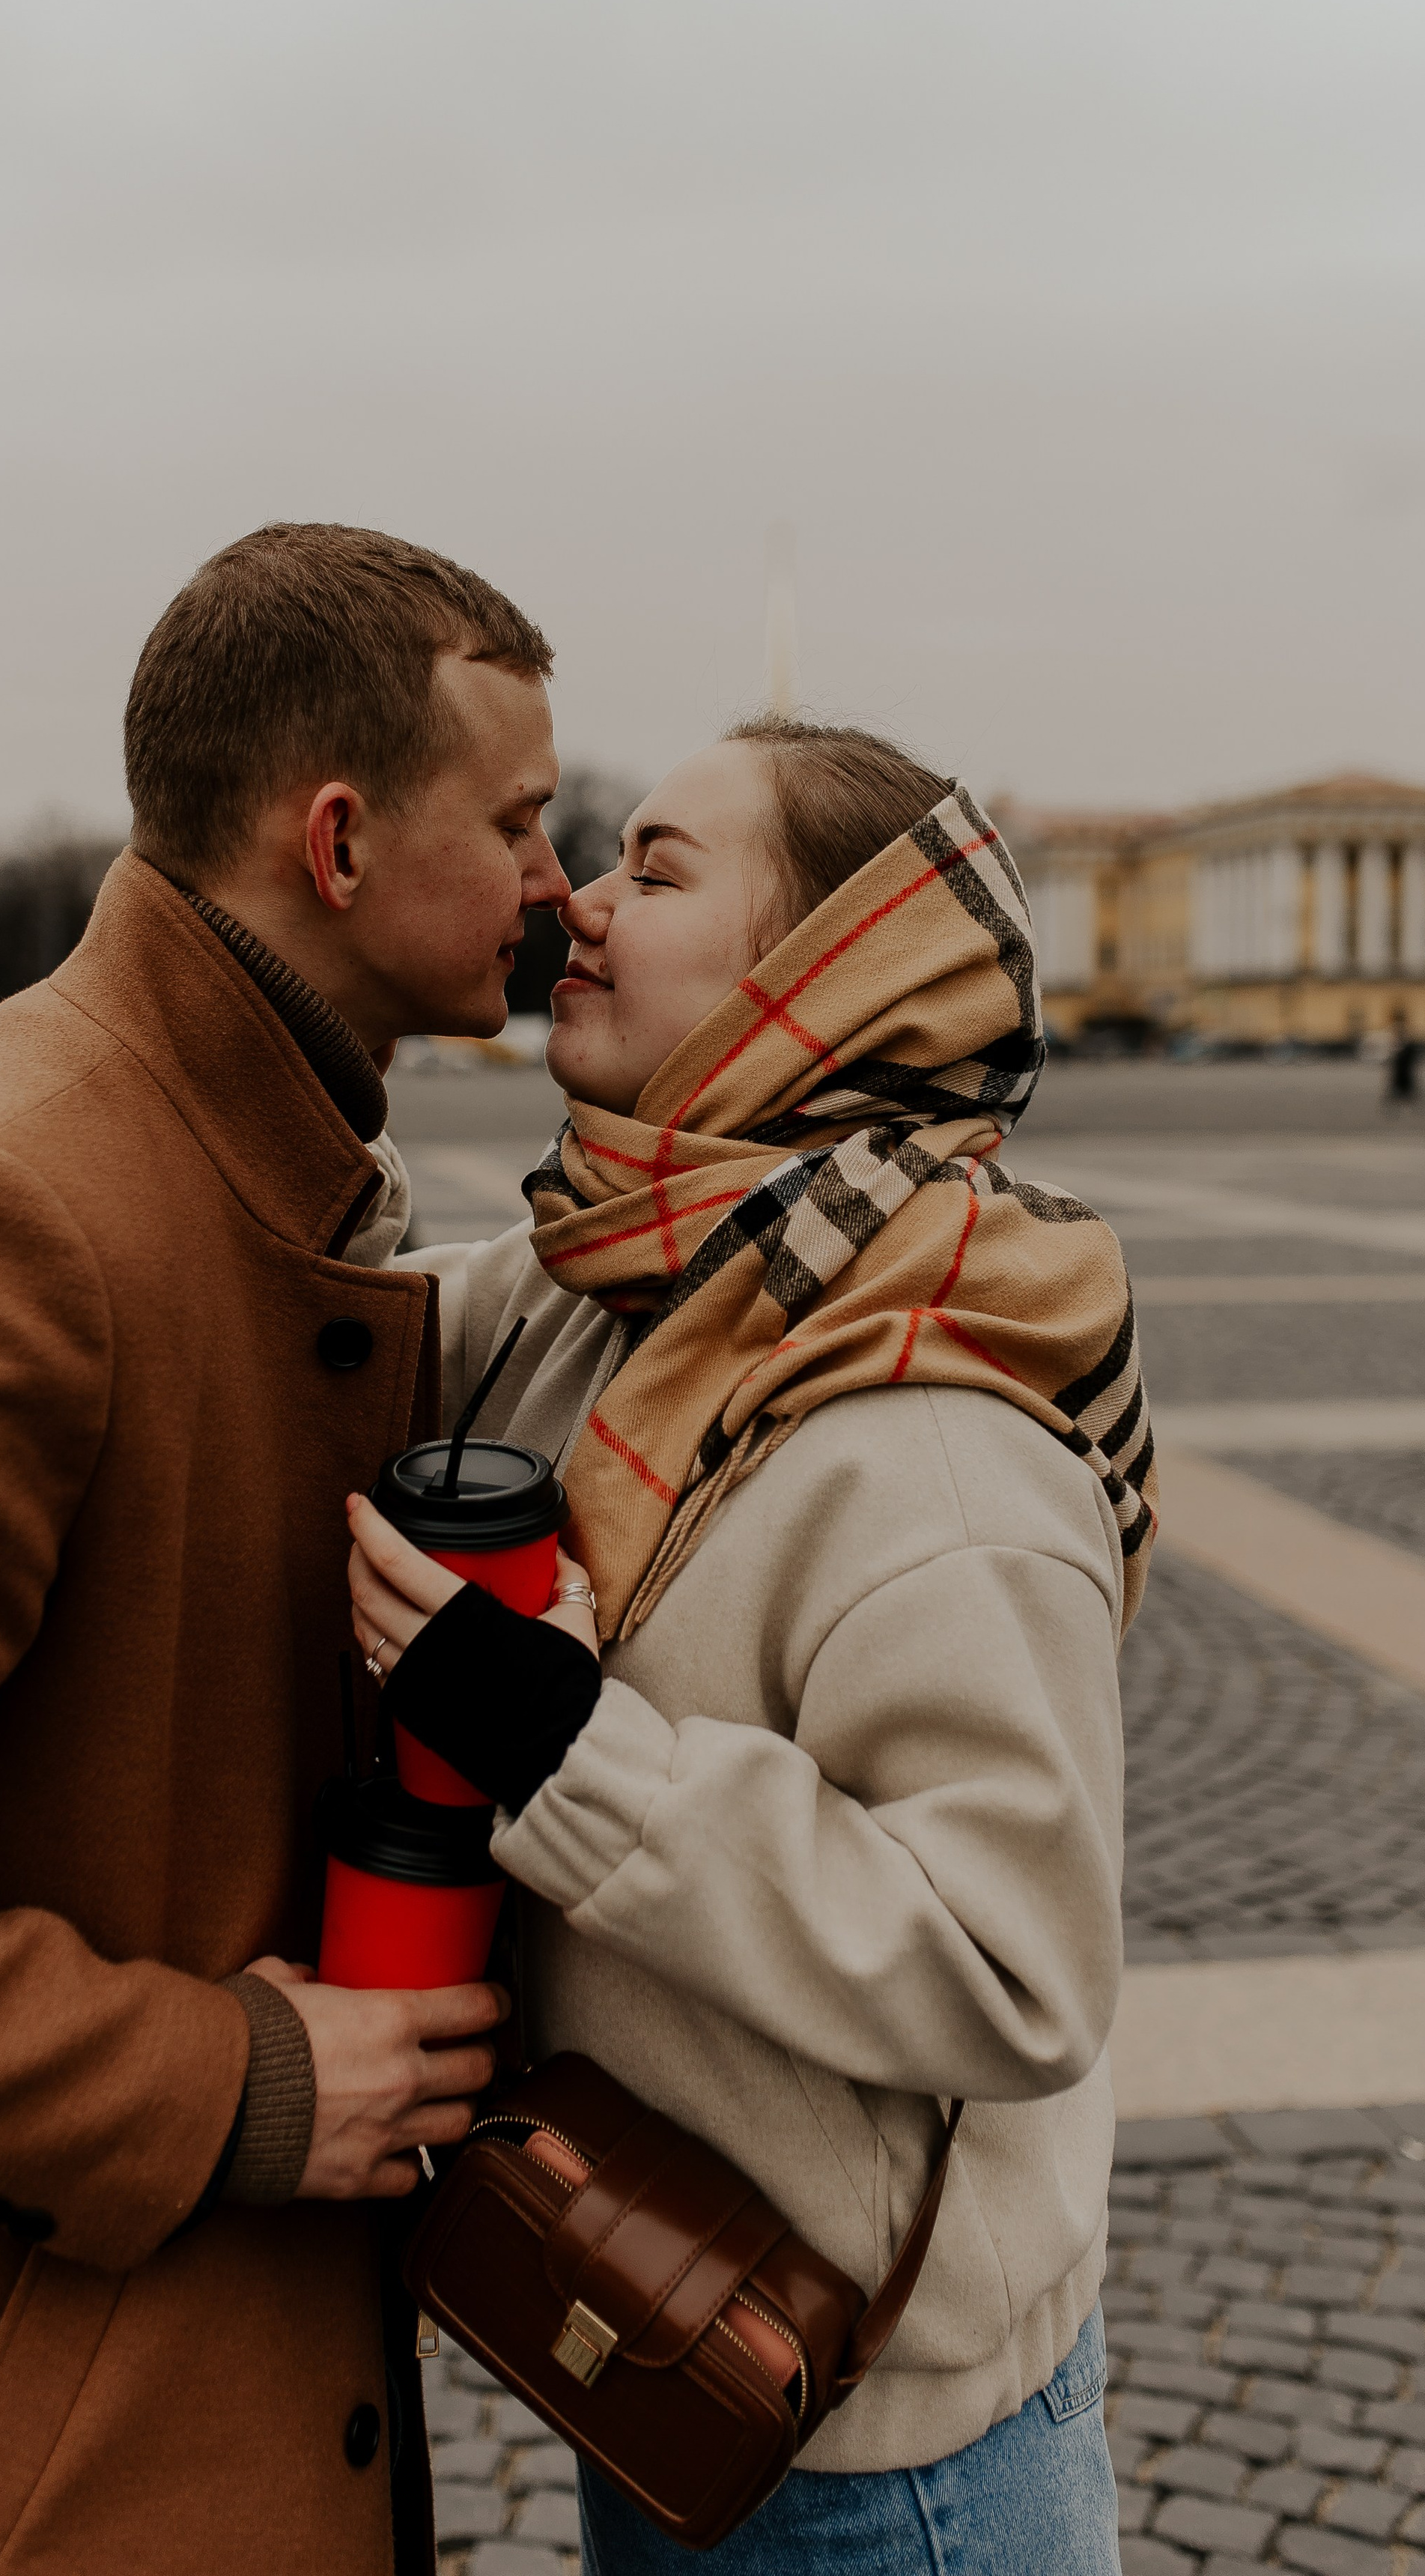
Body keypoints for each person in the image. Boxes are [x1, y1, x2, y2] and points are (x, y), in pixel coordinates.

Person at [0, 524, 571, 2576]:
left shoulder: (236, 1142)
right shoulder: (18, 1203)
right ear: (340, 842)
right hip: (29, 2457)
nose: (563, 888)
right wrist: (224, 2083)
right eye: (527, 823)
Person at [347, 719, 1151, 2575]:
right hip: (660, 2329)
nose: (577, 896)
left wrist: (557, 1742)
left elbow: (1015, 1966)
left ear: (818, 974)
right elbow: (326, 1313)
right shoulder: (618, 1286)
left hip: (882, 2472)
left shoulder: (936, 1435)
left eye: (653, 864)